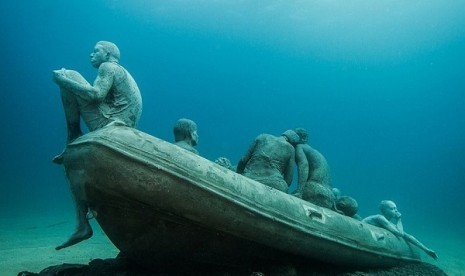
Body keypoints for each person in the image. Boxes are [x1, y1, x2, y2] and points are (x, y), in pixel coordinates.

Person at [52, 41, 143, 250]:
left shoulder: (108, 67)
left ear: (108, 53)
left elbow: (96, 95)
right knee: (67, 78)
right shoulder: (121, 72)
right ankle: (82, 223)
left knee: (68, 75)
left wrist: (61, 80)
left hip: (110, 123)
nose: (91, 55)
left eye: (96, 51)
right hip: (122, 124)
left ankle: (72, 136)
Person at [363, 200, 438, 260]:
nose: (396, 211)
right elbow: (400, 234)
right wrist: (399, 220)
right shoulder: (380, 218)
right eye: (392, 208)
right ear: (384, 211)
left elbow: (408, 236)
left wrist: (426, 250)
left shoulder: (389, 223)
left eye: (396, 208)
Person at [293, 128, 335, 209]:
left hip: (315, 190)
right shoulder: (315, 152)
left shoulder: (300, 147)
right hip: (329, 196)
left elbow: (304, 166)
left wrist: (299, 191)